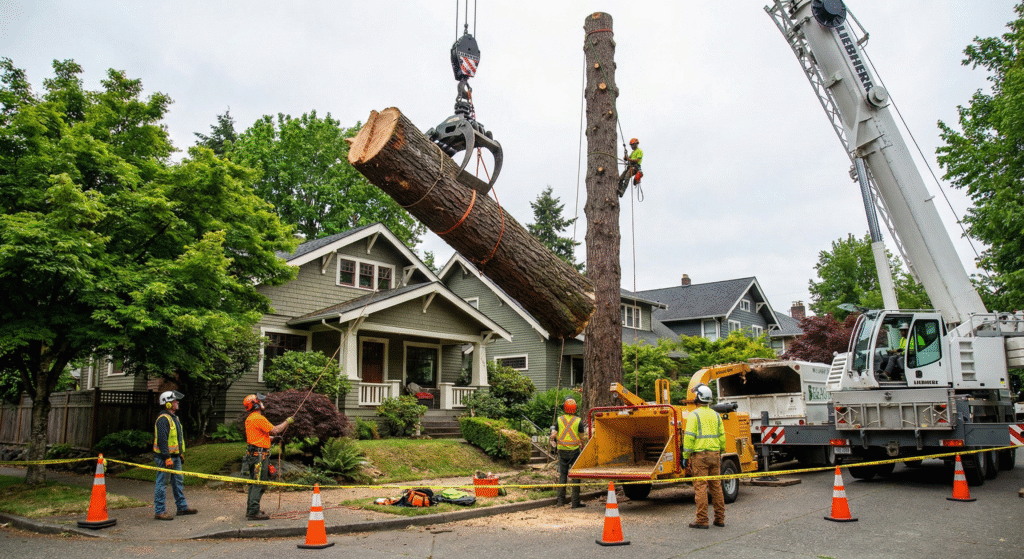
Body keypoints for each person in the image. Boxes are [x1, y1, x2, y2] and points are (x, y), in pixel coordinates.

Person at [243, 393, 293, 520]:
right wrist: (287, 422)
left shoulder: (250, 418)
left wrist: (274, 439)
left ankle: (251, 509)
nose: (263, 404)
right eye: (261, 402)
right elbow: (275, 430)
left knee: (253, 483)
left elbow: (261, 436)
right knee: (259, 483)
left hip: (254, 455)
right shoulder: (258, 418)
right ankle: (253, 512)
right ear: (256, 404)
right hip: (259, 457)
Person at [682, 384, 725, 529]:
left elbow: (689, 437)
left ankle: (702, 520)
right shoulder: (716, 415)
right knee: (716, 487)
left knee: (700, 487)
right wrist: (720, 451)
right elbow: (722, 436)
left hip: (700, 456)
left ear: (698, 398)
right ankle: (719, 518)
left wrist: (685, 456)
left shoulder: (694, 415)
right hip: (715, 454)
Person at [153, 390, 197, 520]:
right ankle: (160, 511)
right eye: (174, 401)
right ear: (167, 404)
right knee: (162, 483)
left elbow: (178, 438)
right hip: (164, 457)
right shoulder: (163, 419)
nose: (177, 402)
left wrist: (180, 453)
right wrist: (167, 457)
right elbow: (162, 440)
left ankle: (182, 507)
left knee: (178, 482)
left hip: (175, 456)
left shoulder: (175, 418)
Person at [550, 397, 586, 508]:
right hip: (574, 452)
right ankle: (575, 502)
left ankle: (560, 501)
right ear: (575, 409)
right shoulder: (578, 421)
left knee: (562, 475)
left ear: (564, 408)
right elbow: (582, 437)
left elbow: (554, 434)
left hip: (562, 451)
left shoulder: (560, 420)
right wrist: (582, 445)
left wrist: (551, 439)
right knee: (575, 476)